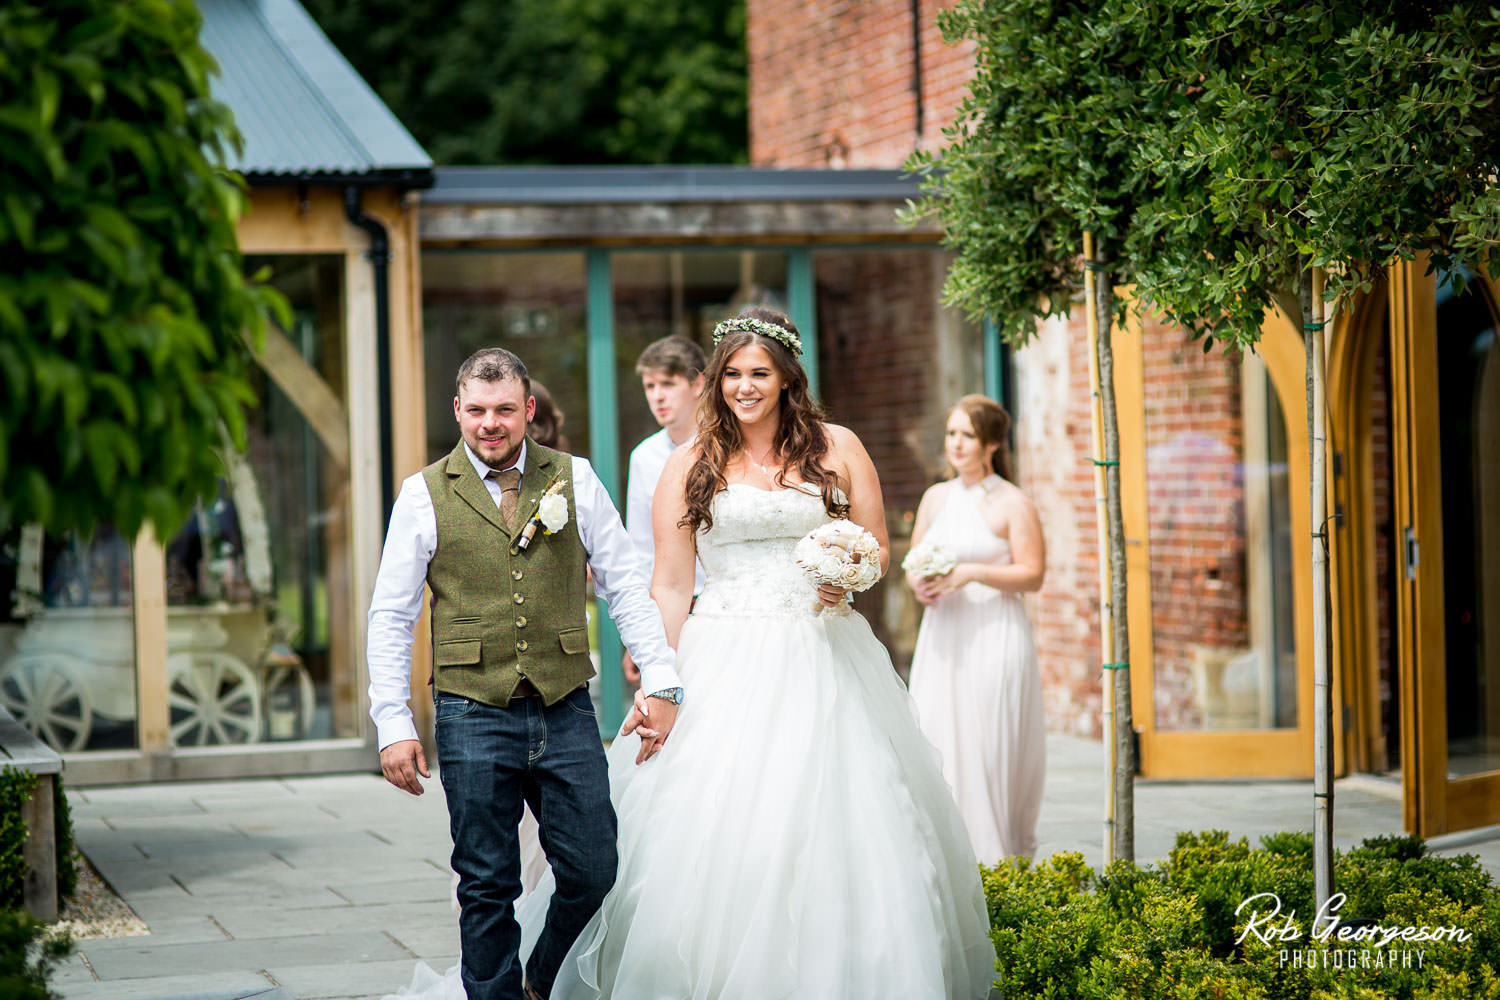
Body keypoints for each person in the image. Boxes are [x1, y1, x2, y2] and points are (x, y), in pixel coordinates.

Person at [515, 307, 996, 998]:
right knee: (710, 822)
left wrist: (849, 578)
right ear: (717, 381)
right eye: (734, 374)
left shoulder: (839, 447)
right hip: (724, 652)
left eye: (760, 373)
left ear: (786, 378)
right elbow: (673, 583)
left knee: (848, 814)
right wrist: (661, 680)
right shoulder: (688, 464)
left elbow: (877, 545)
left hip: (825, 651)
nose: (746, 386)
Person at [367, 347, 685, 1000]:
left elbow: (625, 581)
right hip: (470, 709)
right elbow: (391, 615)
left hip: (565, 703)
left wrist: (660, 676)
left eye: (505, 410)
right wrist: (392, 721)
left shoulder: (575, 477)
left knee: (594, 867)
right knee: (486, 884)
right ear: (457, 411)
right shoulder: (423, 495)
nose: (491, 423)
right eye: (477, 410)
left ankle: (538, 981)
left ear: (528, 410)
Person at [905, 395, 1047, 863]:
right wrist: (919, 586)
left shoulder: (1012, 501)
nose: (957, 444)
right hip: (944, 635)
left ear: (990, 444)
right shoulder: (936, 498)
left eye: (967, 435)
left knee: (989, 743)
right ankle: (948, 855)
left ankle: (998, 859)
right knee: (938, 736)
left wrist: (971, 572)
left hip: (993, 632)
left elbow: (1033, 574)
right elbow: (914, 561)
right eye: (952, 434)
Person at [620, 335, 705, 683]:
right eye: (649, 385)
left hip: (728, 604)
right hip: (672, 613)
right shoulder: (643, 457)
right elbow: (641, 550)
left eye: (668, 384)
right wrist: (642, 638)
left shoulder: (730, 446)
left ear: (697, 383)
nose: (657, 395)